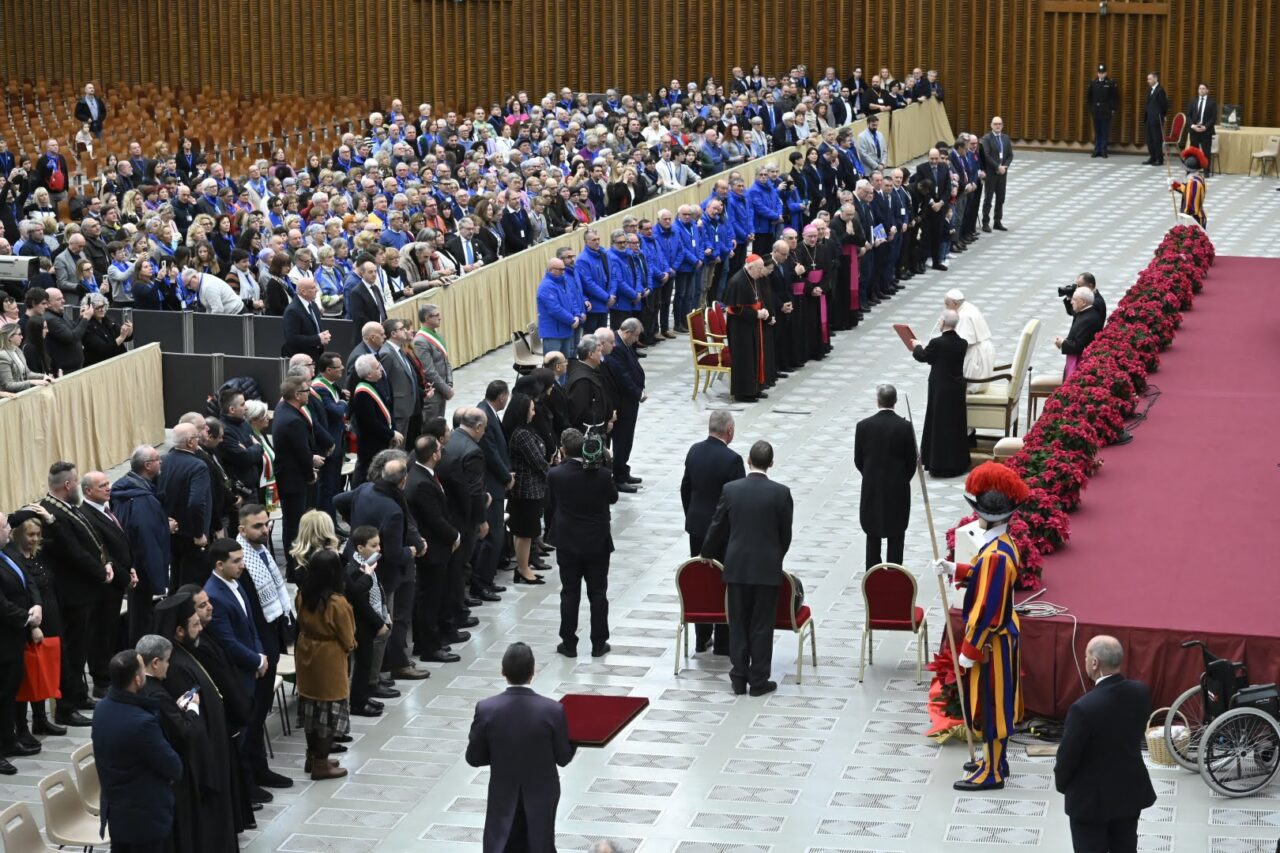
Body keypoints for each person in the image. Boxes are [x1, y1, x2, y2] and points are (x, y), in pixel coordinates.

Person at [932, 462, 1029, 790]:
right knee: (991, 701)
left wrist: (970, 650)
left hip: (992, 641)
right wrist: (953, 569)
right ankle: (993, 759)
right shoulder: (999, 546)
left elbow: (988, 608)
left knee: (992, 704)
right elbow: (981, 576)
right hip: (998, 637)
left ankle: (993, 771)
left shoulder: (997, 555)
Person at [700, 440, 793, 696]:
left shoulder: (731, 490)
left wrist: (706, 552)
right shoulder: (781, 493)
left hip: (737, 566)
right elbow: (786, 534)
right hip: (767, 567)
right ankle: (759, 680)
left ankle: (738, 678)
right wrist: (776, 556)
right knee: (762, 625)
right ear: (771, 464)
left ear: (748, 461)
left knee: (738, 623)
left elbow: (717, 525)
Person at [151, 591, 242, 851]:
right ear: (179, 631)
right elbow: (187, 720)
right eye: (194, 624)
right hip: (200, 763)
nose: (200, 627)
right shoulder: (175, 666)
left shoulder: (185, 653)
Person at [465, 642, 575, 853]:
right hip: (542, 793)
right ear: (533, 671)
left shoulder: (486, 709)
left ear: (503, 672)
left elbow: (474, 758)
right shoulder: (553, 710)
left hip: (503, 791)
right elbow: (563, 757)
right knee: (540, 843)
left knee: (501, 843)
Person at [1054, 635, 1158, 852]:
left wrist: (1064, 785)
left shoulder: (1083, 708)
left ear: (1095, 663)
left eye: (1085, 656)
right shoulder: (1140, 693)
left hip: (1090, 802)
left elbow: (1067, 758)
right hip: (1129, 792)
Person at [334, 449, 430, 682]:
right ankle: (390, 668)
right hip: (383, 571)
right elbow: (395, 553)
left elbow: (338, 500)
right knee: (390, 620)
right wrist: (413, 551)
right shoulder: (394, 509)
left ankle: (378, 671)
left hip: (356, 563)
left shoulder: (365, 489)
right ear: (403, 481)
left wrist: (358, 528)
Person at [39, 461, 111, 727]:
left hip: (83, 591)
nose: (79, 485)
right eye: (77, 481)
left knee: (80, 648)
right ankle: (66, 707)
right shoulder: (51, 512)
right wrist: (100, 571)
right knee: (71, 652)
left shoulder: (67, 508)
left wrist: (105, 564)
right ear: (68, 485)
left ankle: (79, 695)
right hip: (70, 594)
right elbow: (73, 552)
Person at [91, 649, 184, 853]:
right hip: (144, 818)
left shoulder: (101, 709)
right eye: (143, 668)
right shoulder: (142, 724)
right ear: (137, 679)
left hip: (117, 813)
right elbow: (173, 767)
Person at [235, 504, 295, 791]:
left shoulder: (261, 551)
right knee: (253, 713)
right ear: (241, 529)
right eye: (257, 526)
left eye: (267, 523)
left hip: (270, 635)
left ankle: (260, 769)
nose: (265, 529)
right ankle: (249, 776)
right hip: (255, 645)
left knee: (261, 711)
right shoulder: (240, 561)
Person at [548, 429, 618, 657]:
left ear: (563, 450)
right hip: (597, 542)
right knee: (598, 593)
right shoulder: (603, 474)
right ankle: (599, 643)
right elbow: (613, 498)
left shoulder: (556, 475)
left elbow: (550, 505)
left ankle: (569, 643)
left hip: (568, 541)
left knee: (569, 592)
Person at [680, 411, 744, 656]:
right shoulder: (733, 460)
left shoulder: (694, 451)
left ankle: (701, 636)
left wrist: (692, 515)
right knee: (724, 583)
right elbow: (736, 500)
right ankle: (723, 642)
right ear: (729, 431)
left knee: (700, 581)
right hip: (724, 532)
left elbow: (686, 488)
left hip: (696, 527)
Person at [293, 549, 356, 780]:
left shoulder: (302, 594)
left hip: (306, 651)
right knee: (328, 710)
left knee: (311, 706)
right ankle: (321, 763)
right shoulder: (337, 602)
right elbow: (348, 637)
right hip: (328, 657)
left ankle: (312, 757)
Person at [403, 436, 460, 665]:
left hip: (433, 546)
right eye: (439, 448)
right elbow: (435, 519)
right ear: (434, 454)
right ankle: (430, 647)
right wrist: (454, 535)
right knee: (429, 599)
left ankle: (424, 642)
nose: (442, 451)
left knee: (427, 597)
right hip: (433, 549)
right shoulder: (422, 483)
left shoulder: (421, 474)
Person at [78, 471, 134, 700]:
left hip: (118, 581)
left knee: (111, 632)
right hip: (104, 587)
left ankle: (109, 675)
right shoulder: (87, 516)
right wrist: (125, 576)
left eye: (108, 483)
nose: (108, 488)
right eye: (102, 486)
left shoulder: (106, 510)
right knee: (100, 635)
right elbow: (104, 553)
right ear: (88, 491)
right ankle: (101, 681)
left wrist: (130, 569)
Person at [0, 509, 45, 770]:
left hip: (15, 637)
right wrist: (27, 618)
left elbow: (28, 582)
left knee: (10, 693)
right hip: (5, 638)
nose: (9, 530)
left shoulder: (9, 553)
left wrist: (37, 606)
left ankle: (9, 738)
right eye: (6, 527)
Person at [854, 384, 917, 569]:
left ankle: (872, 577)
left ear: (877, 401)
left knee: (872, 535)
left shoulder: (863, 426)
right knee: (896, 536)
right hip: (897, 489)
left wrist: (870, 476)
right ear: (895, 402)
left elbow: (859, 460)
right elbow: (911, 462)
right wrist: (900, 479)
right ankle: (895, 575)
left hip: (872, 487)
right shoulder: (905, 427)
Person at [113, 446, 171, 644]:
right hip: (143, 567)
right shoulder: (143, 500)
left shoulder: (123, 487)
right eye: (157, 459)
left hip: (132, 562)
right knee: (142, 616)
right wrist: (159, 580)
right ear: (147, 466)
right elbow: (148, 539)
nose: (161, 462)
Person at [202, 539, 266, 703]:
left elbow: (251, 625)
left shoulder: (234, 581)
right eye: (236, 561)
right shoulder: (214, 596)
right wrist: (257, 661)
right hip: (238, 673)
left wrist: (259, 655)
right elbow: (228, 642)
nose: (242, 565)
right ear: (220, 565)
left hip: (251, 663)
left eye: (242, 559)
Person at [911, 310, 970, 478]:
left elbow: (923, 357)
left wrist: (917, 346)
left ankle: (938, 463)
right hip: (956, 389)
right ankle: (957, 463)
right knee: (954, 425)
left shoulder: (937, 343)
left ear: (943, 323)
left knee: (939, 424)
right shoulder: (962, 343)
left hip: (940, 389)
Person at [272, 376, 321, 575]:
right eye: (306, 391)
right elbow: (301, 453)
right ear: (296, 395)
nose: (310, 394)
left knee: (293, 524)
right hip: (294, 479)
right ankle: (295, 569)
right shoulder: (293, 420)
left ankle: (296, 566)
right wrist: (311, 473)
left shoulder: (285, 410)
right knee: (295, 526)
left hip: (290, 476)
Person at [503, 394, 551, 585]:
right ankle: (523, 569)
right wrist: (554, 474)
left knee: (524, 531)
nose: (533, 412)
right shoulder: (521, 434)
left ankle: (523, 567)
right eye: (531, 409)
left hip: (530, 489)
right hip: (526, 491)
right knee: (525, 531)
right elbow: (537, 461)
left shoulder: (524, 430)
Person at [159, 423, 212, 588]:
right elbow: (196, 503)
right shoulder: (198, 466)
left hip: (171, 531)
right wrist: (199, 533)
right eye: (197, 437)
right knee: (193, 585)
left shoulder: (163, 460)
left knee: (175, 578)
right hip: (192, 537)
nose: (198, 441)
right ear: (190, 442)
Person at [604, 317, 646, 489]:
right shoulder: (616, 347)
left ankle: (623, 471)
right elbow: (622, 376)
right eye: (635, 336)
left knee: (627, 439)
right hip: (622, 402)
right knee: (622, 439)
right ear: (627, 332)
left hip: (629, 400)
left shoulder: (625, 344)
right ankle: (619, 477)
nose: (636, 340)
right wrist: (638, 393)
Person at [722, 254, 771, 403]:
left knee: (754, 356)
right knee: (744, 359)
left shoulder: (753, 277)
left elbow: (757, 299)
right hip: (739, 329)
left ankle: (755, 388)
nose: (761, 271)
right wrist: (757, 314)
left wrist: (764, 311)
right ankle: (743, 393)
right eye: (759, 268)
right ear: (750, 268)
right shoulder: (737, 281)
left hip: (751, 324)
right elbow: (735, 309)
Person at [349, 353, 400, 485]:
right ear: (369, 374)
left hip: (381, 441)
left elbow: (386, 412)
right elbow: (370, 423)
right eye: (377, 368)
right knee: (368, 477)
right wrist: (391, 433)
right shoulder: (363, 393)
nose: (381, 369)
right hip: (371, 446)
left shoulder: (374, 385)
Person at [945, 289, 996, 393]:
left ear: (955, 303)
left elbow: (962, 344)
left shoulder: (964, 316)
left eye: (947, 304)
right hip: (983, 354)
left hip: (976, 360)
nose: (946, 308)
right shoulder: (968, 307)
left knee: (945, 380)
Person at [412, 303, 454, 421]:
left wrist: (449, 383)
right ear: (427, 318)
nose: (440, 318)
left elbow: (446, 361)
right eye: (436, 315)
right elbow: (429, 371)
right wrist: (446, 389)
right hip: (433, 394)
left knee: (440, 425)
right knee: (432, 428)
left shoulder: (438, 335)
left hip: (442, 389)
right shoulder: (420, 341)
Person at [1056, 287, 1105, 379]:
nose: (1071, 302)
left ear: (1083, 302)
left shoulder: (1088, 319)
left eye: (1074, 299)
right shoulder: (1085, 312)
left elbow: (1078, 346)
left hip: (1080, 364)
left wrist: (1063, 343)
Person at [281, 278, 332, 360]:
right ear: (303, 292)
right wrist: (318, 339)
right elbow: (292, 339)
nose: (317, 290)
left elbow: (315, 328)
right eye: (313, 288)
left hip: (315, 356)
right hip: (301, 359)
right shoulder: (292, 311)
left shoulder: (314, 305)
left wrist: (323, 335)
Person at [979, 117, 1012, 232]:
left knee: (1001, 198)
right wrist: (997, 167)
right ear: (991, 125)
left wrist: (1005, 167)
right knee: (988, 198)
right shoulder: (986, 139)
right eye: (995, 124)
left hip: (1002, 173)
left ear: (1002, 126)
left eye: (999, 124)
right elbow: (986, 155)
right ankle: (985, 222)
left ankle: (997, 221)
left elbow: (1010, 155)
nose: (997, 126)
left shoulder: (1006, 138)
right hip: (991, 173)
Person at [1086, 64, 1120, 158]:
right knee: (1097, 131)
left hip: (1106, 111)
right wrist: (1091, 109)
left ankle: (1104, 150)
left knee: (1104, 131)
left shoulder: (1110, 83)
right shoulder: (1093, 82)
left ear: (1106, 73)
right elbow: (1089, 98)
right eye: (1099, 73)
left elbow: (1115, 97)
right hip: (1096, 111)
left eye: (1102, 73)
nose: (1101, 74)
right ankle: (1097, 149)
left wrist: (1113, 109)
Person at [1170, 147, 1209, 228]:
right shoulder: (1198, 178)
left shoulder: (1193, 182)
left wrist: (1183, 216)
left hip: (1194, 219)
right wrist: (1174, 184)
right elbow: (1187, 190)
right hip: (1196, 217)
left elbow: (1191, 207)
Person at [1142, 72, 1170, 166]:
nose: (1148, 81)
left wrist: (1162, 115)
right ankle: (1152, 157)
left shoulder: (1160, 90)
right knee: (1149, 139)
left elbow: (1164, 105)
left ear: (1155, 79)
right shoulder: (1150, 90)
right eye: (1148, 79)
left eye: (1149, 79)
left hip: (1156, 119)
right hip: (1149, 118)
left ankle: (1159, 158)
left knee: (1157, 139)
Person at [1185, 82, 1217, 158]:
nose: (1201, 90)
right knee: (1193, 152)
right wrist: (1193, 126)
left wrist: (1205, 127)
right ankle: (1193, 168)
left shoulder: (1212, 103)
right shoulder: (1193, 101)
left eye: (1203, 89)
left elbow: (1213, 118)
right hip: (1194, 130)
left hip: (1206, 131)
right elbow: (1188, 115)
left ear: (1207, 90)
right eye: (1200, 88)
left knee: (1206, 152)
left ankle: (1206, 169)